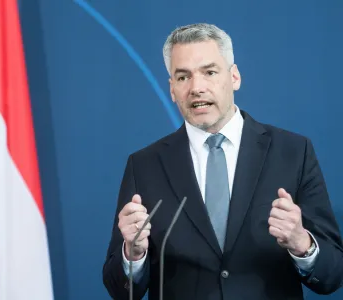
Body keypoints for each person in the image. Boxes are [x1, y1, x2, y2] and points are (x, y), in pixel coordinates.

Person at [102, 23, 343, 300]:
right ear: (172, 89)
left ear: (235, 77)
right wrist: (133, 254)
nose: (196, 88)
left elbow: (332, 275)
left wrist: (302, 244)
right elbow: (119, 289)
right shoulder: (144, 165)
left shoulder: (292, 151)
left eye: (209, 72)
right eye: (183, 77)